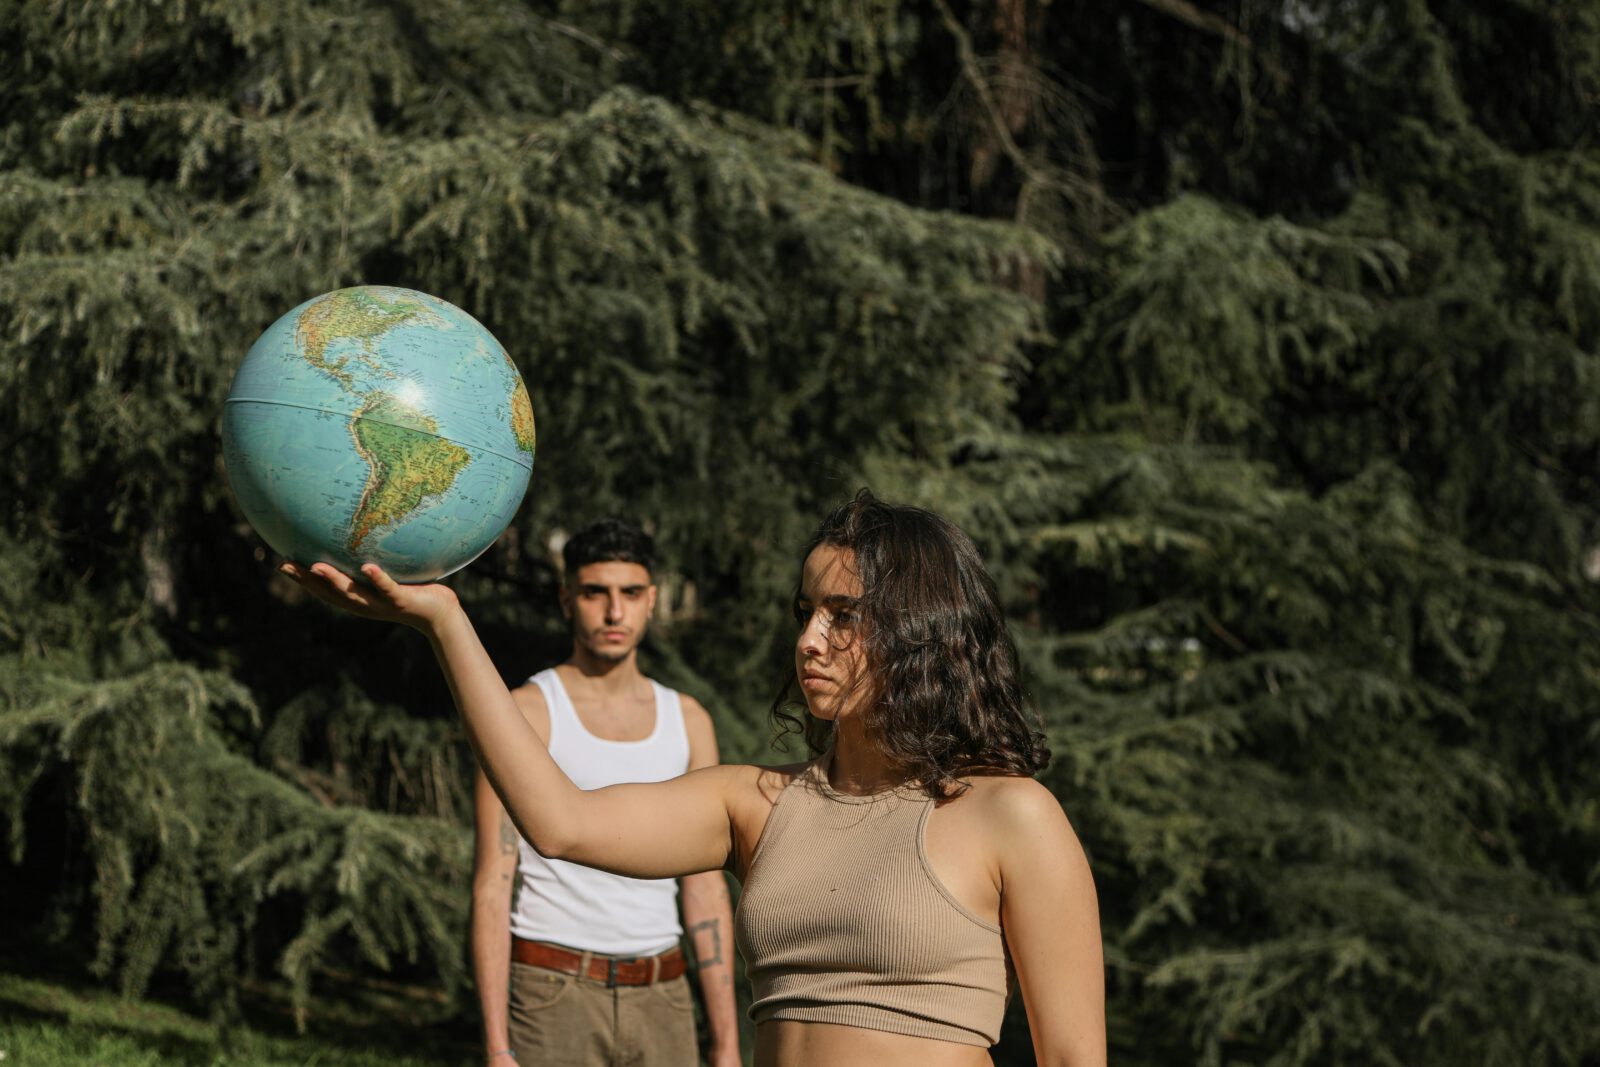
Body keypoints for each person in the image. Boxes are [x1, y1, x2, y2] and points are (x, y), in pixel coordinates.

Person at [283, 491, 1106, 1066]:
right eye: (806, 612)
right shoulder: (757, 804)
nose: (810, 641)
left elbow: (1072, 1055)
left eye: (843, 616)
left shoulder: (1011, 814)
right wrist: (446, 622)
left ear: (920, 632)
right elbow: (559, 819)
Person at [469, 518, 740, 1067]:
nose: (614, 613)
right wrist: (497, 1046)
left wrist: (728, 1043)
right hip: (553, 991)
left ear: (652, 600)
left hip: (664, 993)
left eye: (630, 594)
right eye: (596, 593)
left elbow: (706, 887)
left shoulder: (688, 721)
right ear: (568, 600)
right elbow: (493, 884)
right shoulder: (526, 713)